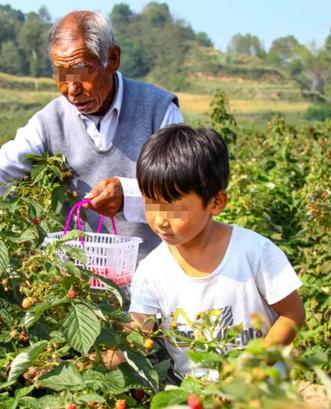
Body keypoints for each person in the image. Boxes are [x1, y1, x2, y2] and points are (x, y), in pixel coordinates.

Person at [0, 11, 182, 259]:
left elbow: (183, 201)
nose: (71, 89)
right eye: (61, 73)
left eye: (81, 70)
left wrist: (129, 195)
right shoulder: (50, 120)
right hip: (74, 291)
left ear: (113, 59)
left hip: (150, 290)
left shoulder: (158, 111)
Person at [102, 125, 305, 379]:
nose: (161, 220)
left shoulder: (255, 252)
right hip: (197, 396)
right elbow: (137, 332)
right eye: (150, 204)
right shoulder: (152, 270)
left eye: (175, 209)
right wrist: (79, 366)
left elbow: (293, 314)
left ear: (216, 202)